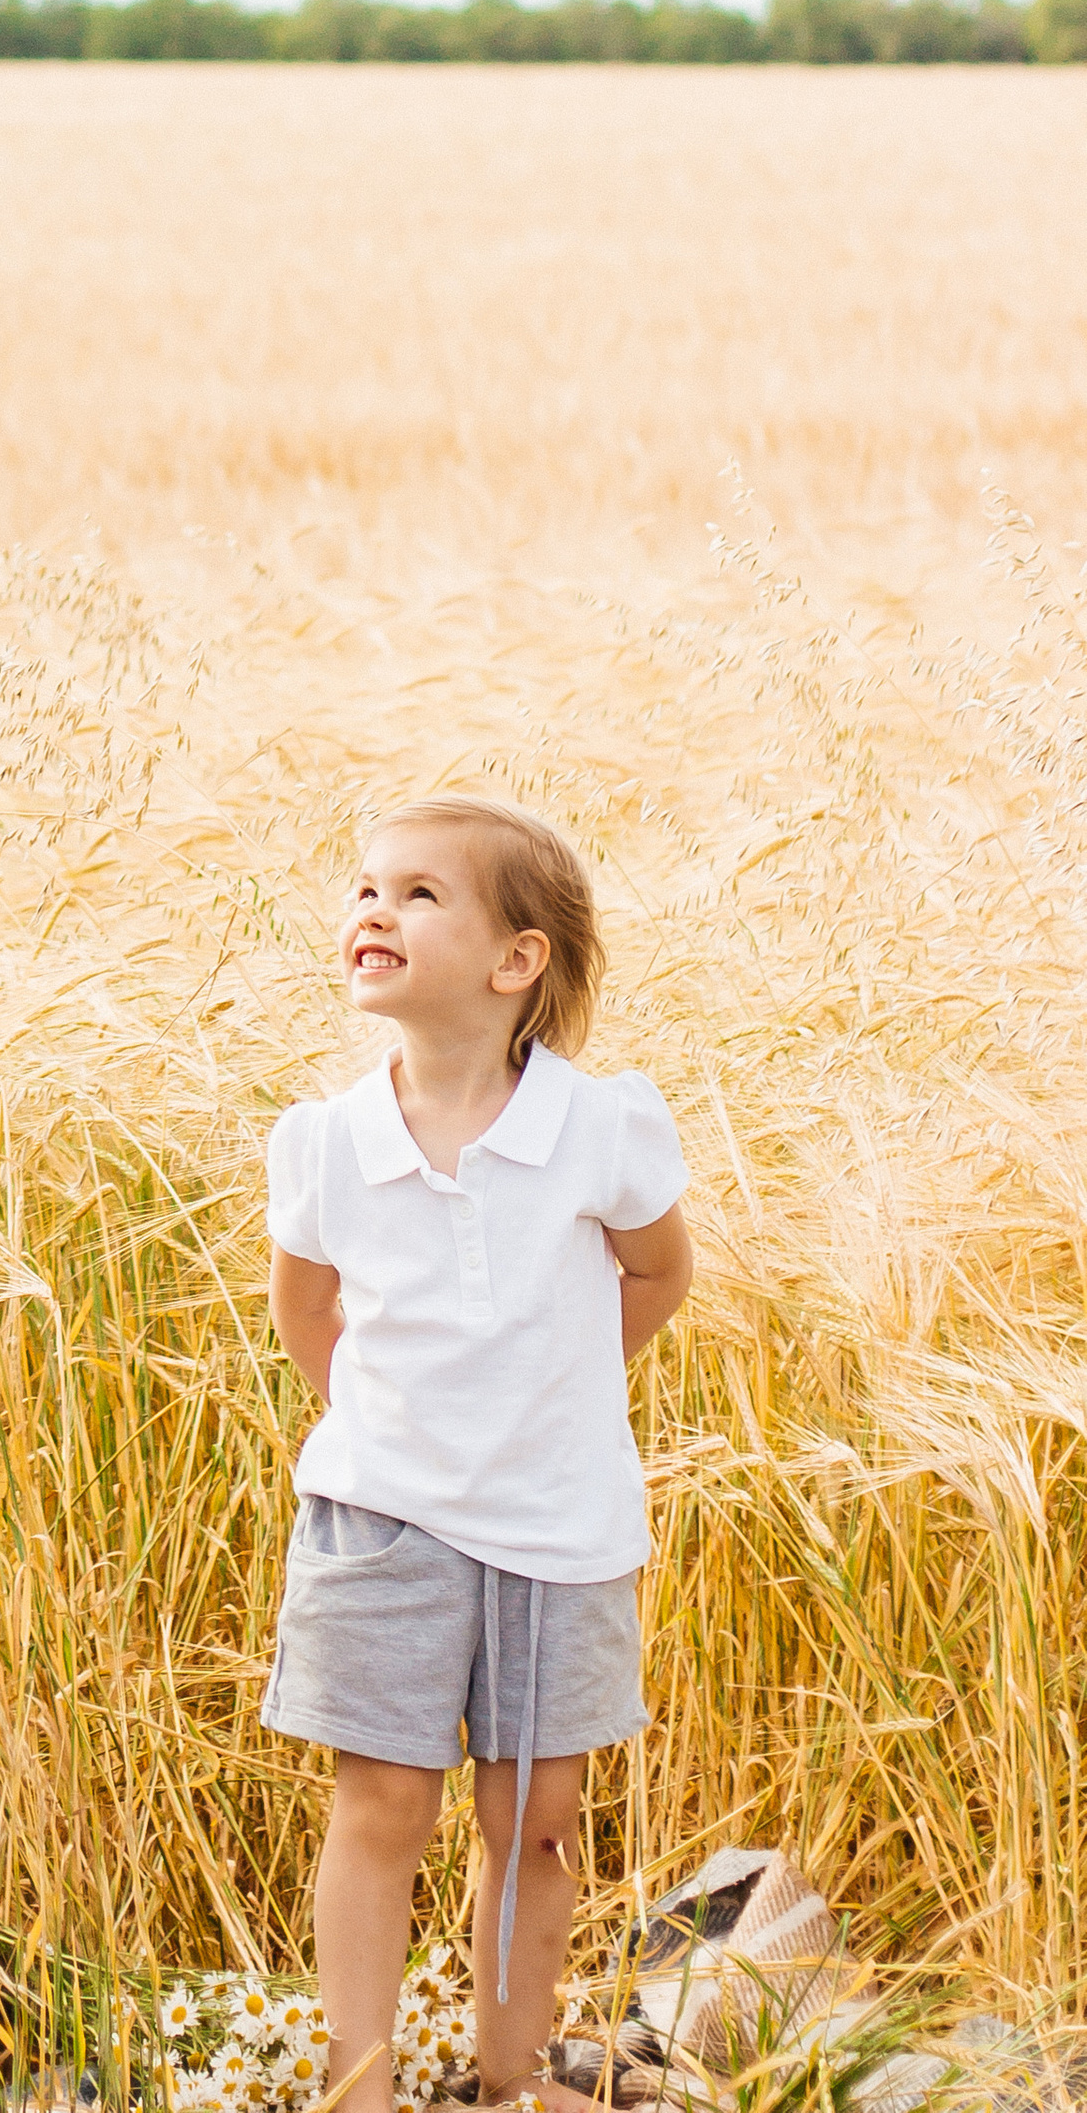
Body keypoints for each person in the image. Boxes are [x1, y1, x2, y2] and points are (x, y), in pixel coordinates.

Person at [262, 798, 695, 2112]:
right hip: (380, 1522)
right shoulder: (327, 1141)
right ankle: (361, 2086)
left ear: (517, 961)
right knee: (382, 1804)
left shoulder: (597, 1127)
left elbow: (658, 1273)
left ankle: (510, 2080)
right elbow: (305, 1309)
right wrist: (392, 1428)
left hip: (558, 1527)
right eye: (364, 888)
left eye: (418, 894)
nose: (373, 910)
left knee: (534, 1821)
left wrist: (547, 1404)